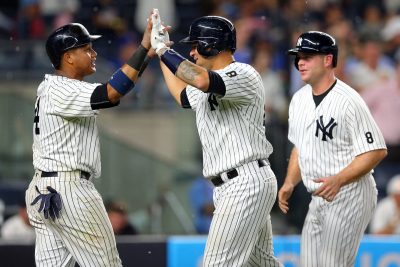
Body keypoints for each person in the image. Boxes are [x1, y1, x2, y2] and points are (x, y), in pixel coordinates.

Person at [150, 10, 282, 266]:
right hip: (234, 184)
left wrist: (166, 52)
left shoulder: (243, 73)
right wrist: (160, 53)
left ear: (212, 45)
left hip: (245, 182)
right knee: (261, 263)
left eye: (197, 45)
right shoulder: (206, 80)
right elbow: (183, 96)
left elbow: (200, 80)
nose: (192, 52)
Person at [25, 19, 154, 266]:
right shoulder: (61, 89)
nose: (94, 53)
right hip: (69, 189)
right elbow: (112, 93)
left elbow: (117, 88)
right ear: (68, 57)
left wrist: (146, 54)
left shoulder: (55, 88)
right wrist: (143, 48)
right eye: (86, 49)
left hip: (46, 190)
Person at [278, 31, 387, 267]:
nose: (300, 62)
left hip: (351, 193)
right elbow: (300, 145)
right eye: (298, 57)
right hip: (318, 195)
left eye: (307, 56)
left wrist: (339, 179)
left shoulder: (349, 100)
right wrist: (289, 182)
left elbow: (376, 150)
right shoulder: (298, 99)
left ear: (328, 60)